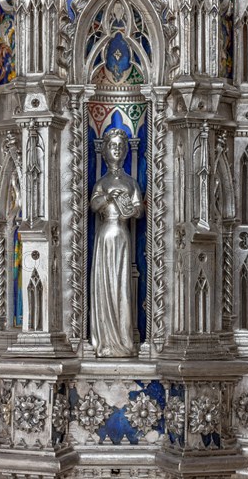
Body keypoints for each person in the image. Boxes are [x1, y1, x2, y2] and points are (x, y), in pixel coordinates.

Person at [90, 128, 144, 357]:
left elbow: (139, 211)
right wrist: (109, 197)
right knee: (105, 285)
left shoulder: (131, 182)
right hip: (105, 235)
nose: (117, 150)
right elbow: (93, 206)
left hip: (122, 235)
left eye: (121, 146)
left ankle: (123, 339)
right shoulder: (102, 182)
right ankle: (105, 341)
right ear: (104, 151)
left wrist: (131, 208)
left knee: (121, 285)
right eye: (113, 146)